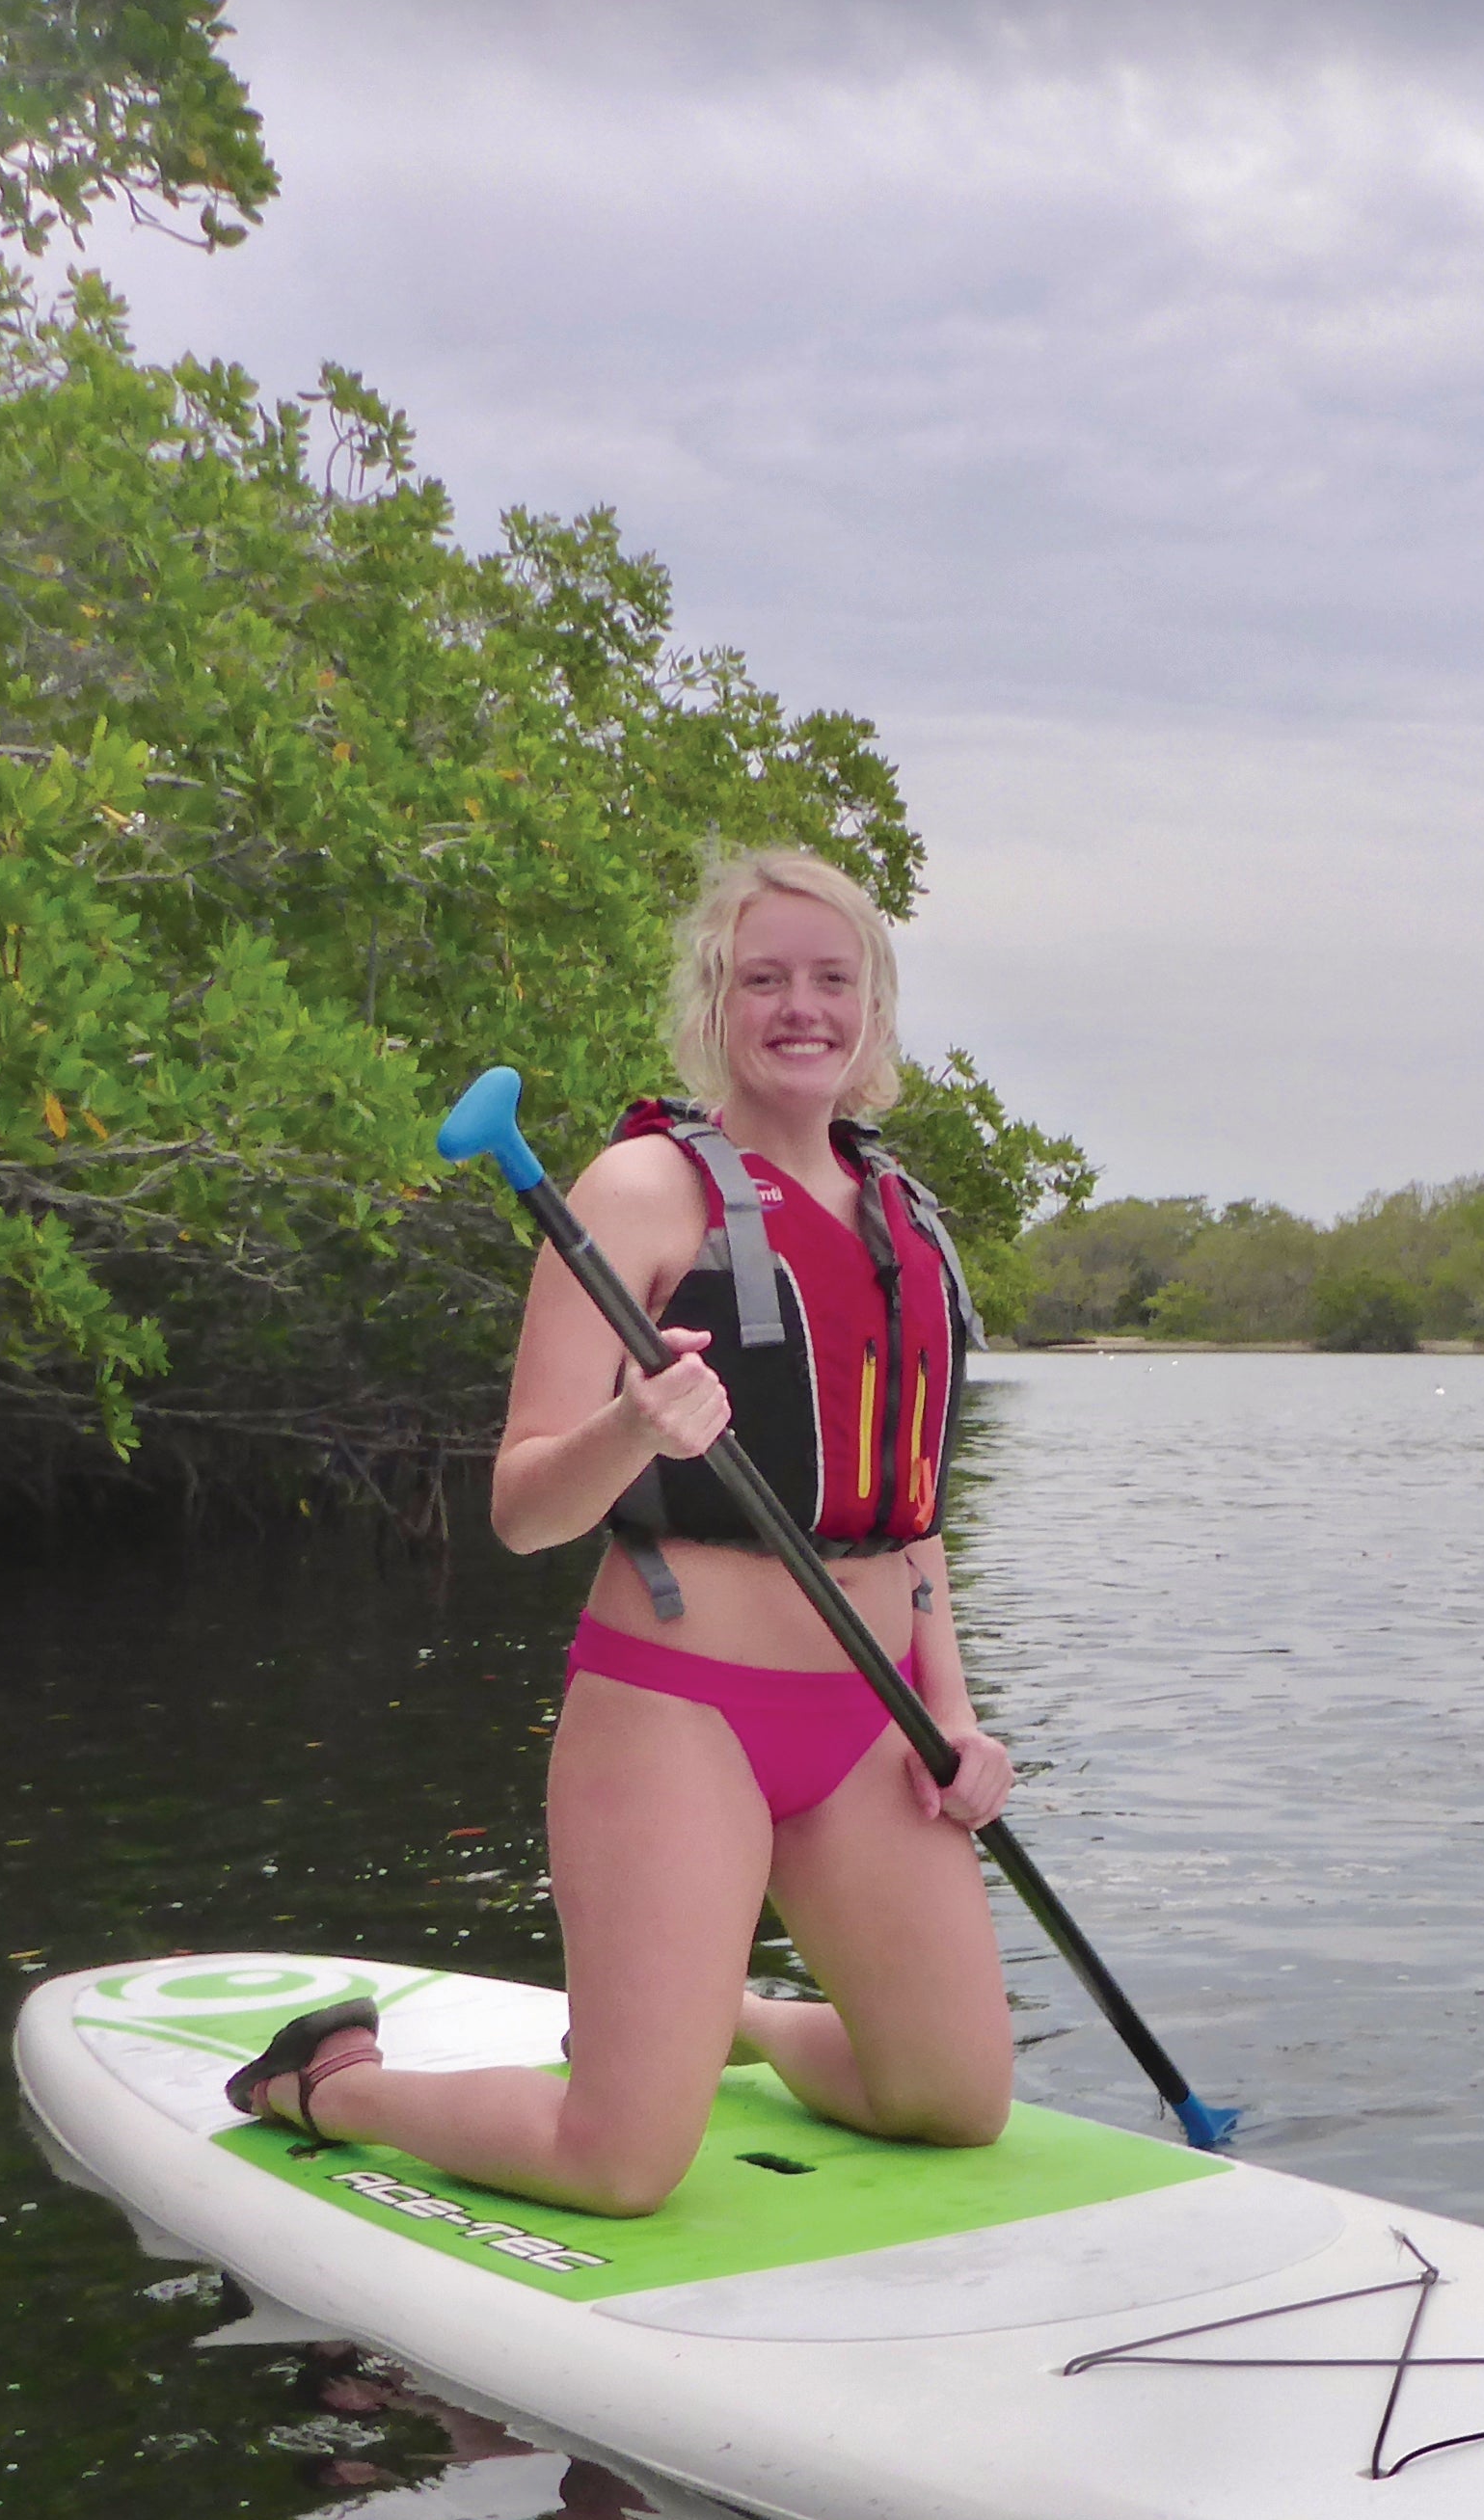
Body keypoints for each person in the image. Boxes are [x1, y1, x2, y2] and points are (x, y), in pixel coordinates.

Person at [222, 847, 1021, 2212]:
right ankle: (328, 2083)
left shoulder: (908, 1219)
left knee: (950, 2103)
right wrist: (632, 1432)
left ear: (875, 1011)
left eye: (833, 979)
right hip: (678, 1711)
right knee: (622, 2167)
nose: (800, 1008)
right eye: (762, 978)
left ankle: (731, 2022)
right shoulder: (641, 1190)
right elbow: (525, 1509)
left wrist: (953, 1716)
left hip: (868, 1725)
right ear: (715, 1002)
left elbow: (910, 1517)